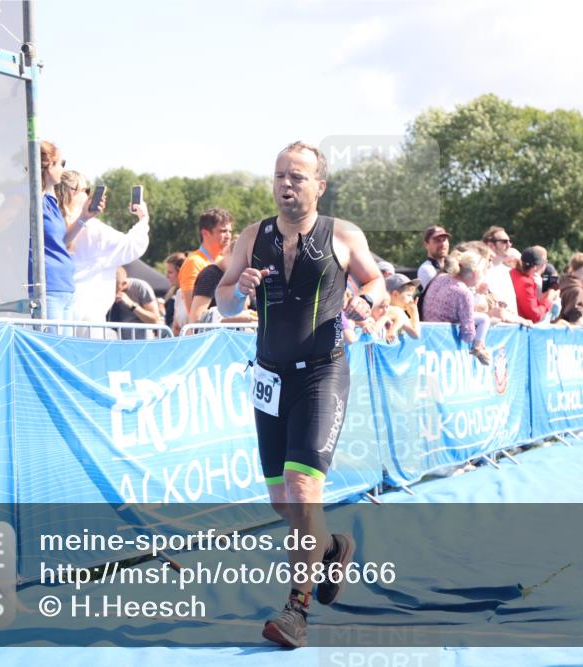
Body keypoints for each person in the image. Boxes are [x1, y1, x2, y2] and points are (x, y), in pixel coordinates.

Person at [215, 142, 385, 649]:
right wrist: (237, 287)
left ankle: (296, 610)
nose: (286, 185)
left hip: (321, 375)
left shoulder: (343, 235)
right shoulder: (252, 236)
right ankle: (333, 546)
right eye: (279, 176)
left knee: (302, 488)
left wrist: (365, 301)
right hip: (270, 378)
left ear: (319, 186)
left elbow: (378, 282)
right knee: (283, 503)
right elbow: (224, 302)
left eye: (298, 177)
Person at [56, 170, 148, 338]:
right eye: (86, 190)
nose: (90, 195)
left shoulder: (53, 225)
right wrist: (143, 218)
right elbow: (132, 246)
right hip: (89, 318)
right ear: (72, 192)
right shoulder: (93, 230)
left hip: (61, 314)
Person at [31, 141, 102, 328]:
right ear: (49, 166)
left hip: (64, 287)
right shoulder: (32, 200)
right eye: (61, 163)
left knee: (63, 349)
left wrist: (84, 217)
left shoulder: (50, 201)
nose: (63, 169)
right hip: (48, 288)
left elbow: (60, 241)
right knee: (52, 350)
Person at [421, 249, 492, 365]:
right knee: (485, 319)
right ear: (475, 274)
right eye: (482, 272)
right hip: (443, 342)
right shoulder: (463, 292)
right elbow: (467, 336)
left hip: (427, 334)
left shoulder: (440, 277)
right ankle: (479, 346)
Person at [188, 236, 255, 326]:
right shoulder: (211, 275)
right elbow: (196, 319)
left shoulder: (235, 277)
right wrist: (238, 318)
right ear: (227, 252)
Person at [179, 208, 234, 313]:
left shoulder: (223, 260)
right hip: (206, 328)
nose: (228, 236)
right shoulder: (193, 262)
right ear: (205, 233)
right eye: (223, 231)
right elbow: (192, 311)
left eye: (230, 231)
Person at [108, 267, 162, 339]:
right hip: (118, 343)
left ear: (124, 283)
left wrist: (131, 305)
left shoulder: (141, 287)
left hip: (141, 343)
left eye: (115, 288)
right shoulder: (107, 290)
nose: (113, 291)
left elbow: (155, 320)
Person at [510, 246, 558, 324]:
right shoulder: (527, 282)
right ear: (536, 266)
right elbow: (535, 315)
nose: (545, 264)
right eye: (544, 261)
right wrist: (549, 299)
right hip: (530, 323)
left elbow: (555, 289)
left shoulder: (549, 270)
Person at [163, 252, 188, 335]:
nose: (167, 276)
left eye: (170, 272)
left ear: (181, 272)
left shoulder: (196, 293)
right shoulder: (178, 293)